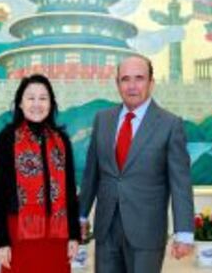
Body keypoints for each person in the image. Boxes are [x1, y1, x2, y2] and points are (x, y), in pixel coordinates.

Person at [79, 55, 195, 273]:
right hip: (106, 229)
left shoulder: (170, 125)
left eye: (139, 78)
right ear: (117, 84)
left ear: (151, 82)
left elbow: (181, 184)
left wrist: (184, 232)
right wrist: (81, 214)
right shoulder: (103, 119)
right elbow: (91, 174)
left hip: (146, 232)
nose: (132, 86)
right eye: (125, 79)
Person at [0, 74, 80, 273]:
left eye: (43, 98)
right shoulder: (7, 139)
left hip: (57, 234)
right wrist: (1, 241)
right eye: (31, 98)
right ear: (20, 104)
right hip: (18, 234)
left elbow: (70, 191)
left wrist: (74, 235)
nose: (37, 104)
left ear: (51, 103)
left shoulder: (61, 140)